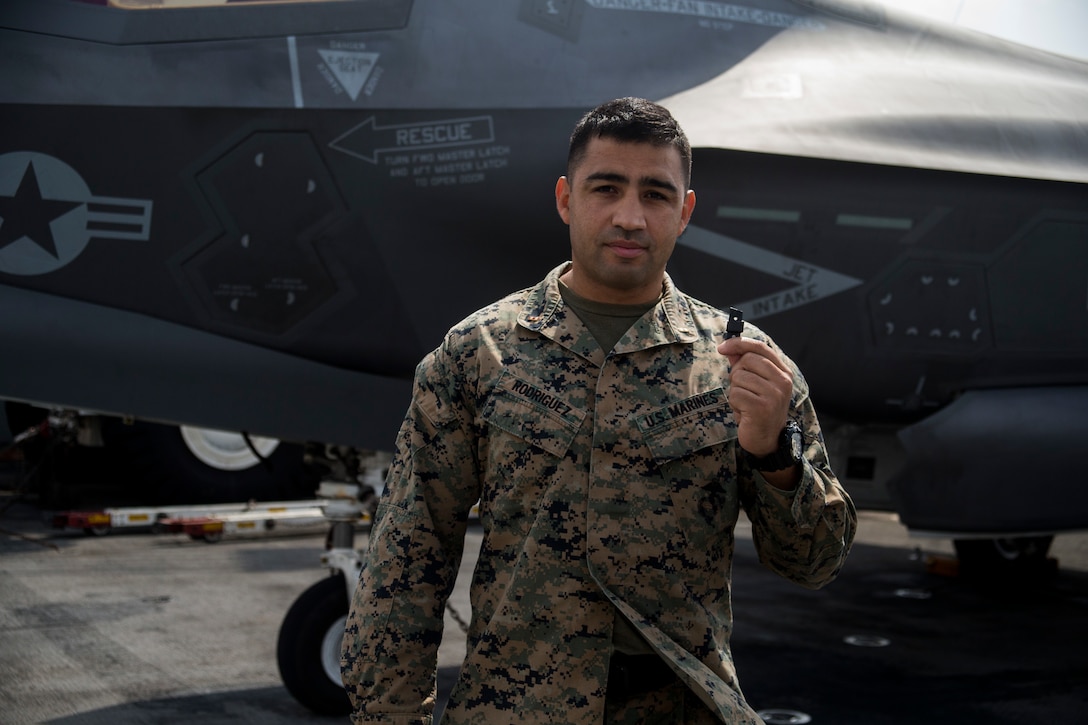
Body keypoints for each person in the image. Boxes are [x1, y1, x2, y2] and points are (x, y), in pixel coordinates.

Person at [341, 97, 856, 724]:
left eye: (656, 194)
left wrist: (776, 456)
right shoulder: (478, 355)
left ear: (685, 212)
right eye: (605, 188)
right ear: (565, 198)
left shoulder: (743, 366)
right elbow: (407, 560)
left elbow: (815, 563)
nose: (630, 216)